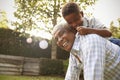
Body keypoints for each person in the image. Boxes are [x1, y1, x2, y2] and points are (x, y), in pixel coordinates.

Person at [52, 21, 120, 80]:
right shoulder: (74, 53)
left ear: (72, 31)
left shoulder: (90, 42)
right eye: (56, 39)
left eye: (61, 34)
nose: (59, 40)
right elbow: (70, 77)